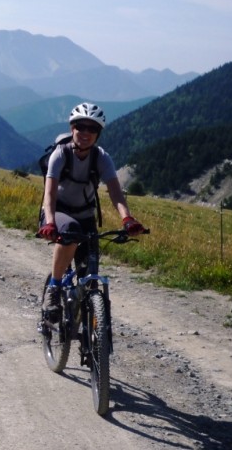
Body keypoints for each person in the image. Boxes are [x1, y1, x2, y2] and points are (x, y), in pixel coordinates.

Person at [37, 102, 145, 322]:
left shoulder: (101, 158)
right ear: (72, 128)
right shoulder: (61, 154)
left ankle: (91, 343)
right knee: (72, 231)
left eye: (92, 129)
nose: (85, 133)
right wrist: (49, 223)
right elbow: (49, 194)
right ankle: (54, 287)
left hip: (86, 215)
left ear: (98, 133)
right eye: (80, 127)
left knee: (90, 277)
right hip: (57, 213)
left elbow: (116, 193)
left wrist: (127, 219)